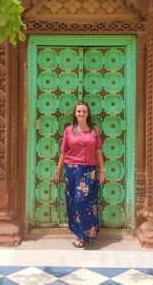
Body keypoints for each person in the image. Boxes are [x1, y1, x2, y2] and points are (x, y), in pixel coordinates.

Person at [54, 101, 105, 248]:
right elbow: (63, 152)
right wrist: (58, 170)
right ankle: (80, 234)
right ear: (75, 114)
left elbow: (98, 152)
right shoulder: (69, 130)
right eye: (79, 111)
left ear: (88, 113)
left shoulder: (94, 131)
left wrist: (102, 171)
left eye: (84, 111)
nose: (81, 114)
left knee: (85, 203)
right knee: (74, 202)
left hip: (90, 172)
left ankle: (87, 235)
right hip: (72, 170)